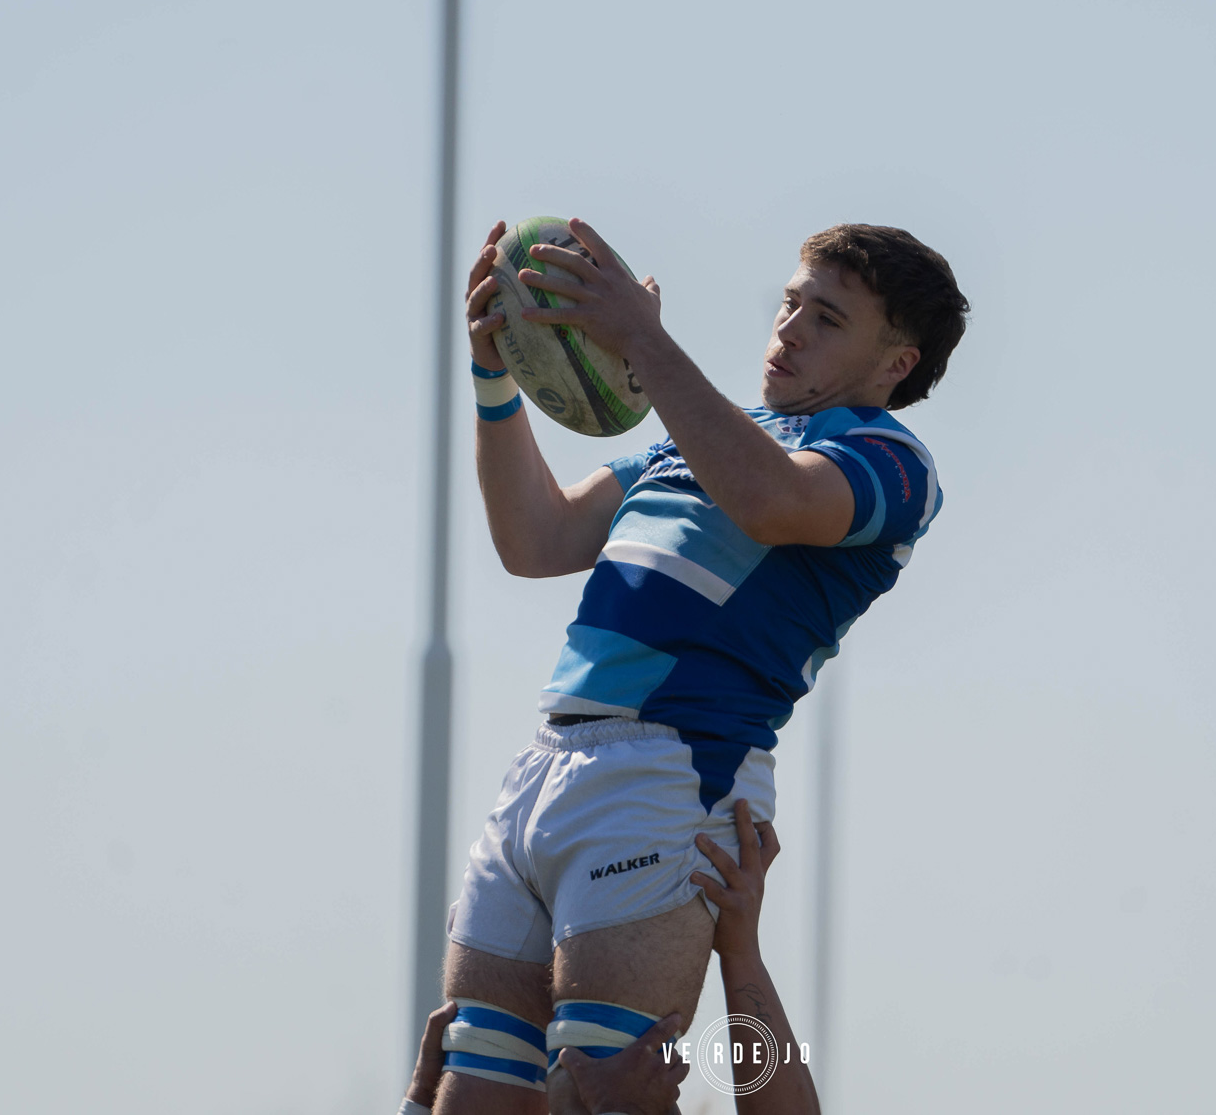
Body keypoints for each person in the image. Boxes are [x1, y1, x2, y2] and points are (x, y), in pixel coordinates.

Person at [436, 217, 967, 1115]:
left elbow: (771, 498)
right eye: (791, 303)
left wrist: (642, 340)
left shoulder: (892, 458)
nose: (790, 328)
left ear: (897, 363)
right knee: (471, 1095)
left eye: (828, 318)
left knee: (601, 1096)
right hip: (543, 767)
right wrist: (496, 375)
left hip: (673, 772)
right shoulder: (703, 435)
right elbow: (536, 537)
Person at [402, 803, 813, 1115]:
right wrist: (741, 954)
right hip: (662, 758)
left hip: (542, 780)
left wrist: (420, 1099)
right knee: (587, 1073)